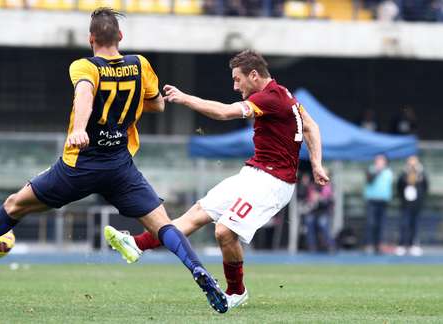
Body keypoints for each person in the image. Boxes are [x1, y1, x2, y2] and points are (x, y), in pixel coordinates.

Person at [0, 8, 228, 314]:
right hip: (120, 167)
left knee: (13, 205)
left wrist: (78, 129)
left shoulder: (84, 66)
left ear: (91, 39)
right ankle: (197, 269)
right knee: (162, 225)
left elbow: (85, 94)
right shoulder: (140, 64)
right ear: (120, 37)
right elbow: (157, 105)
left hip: (79, 166)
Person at [105, 50, 329, 308]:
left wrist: (185, 98)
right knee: (197, 213)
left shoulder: (270, 98)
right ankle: (136, 244)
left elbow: (224, 112)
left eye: (238, 79)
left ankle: (236, 292)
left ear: (254, 75)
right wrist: (316, 164)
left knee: (224, 231)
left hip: (273, 182)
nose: (235, 86)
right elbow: (311, 126)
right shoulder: (286, 95)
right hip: (254, 174)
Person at [395, 155, 428, 256]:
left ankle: (414, 245)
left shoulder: (422, 173)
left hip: (417, 204)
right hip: (406, 204)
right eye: (411, 161)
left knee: (416, 225)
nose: (412, 164)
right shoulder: (403, 173)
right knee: (404, 225)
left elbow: (426, 186)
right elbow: (399, 186)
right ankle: (402, 245)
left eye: (414, 161)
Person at [364, 154, 393, 254]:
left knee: (382, 224)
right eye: (378, 161)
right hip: (372, 200)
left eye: (382, 161)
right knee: (371, 223)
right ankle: (370, 244)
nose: (380, 163)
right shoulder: (371, 170)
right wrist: (377, 171)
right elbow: (369, 180)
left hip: (383, 201)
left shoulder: (388, 172)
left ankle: (380, 244)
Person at [301, 172, 335, 253]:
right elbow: (307, 200)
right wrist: (311, 202)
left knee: (322, 223)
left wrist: (320, 199)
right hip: (313, 212)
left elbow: (330, 202)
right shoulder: (312, 187)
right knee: (309, 221)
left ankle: (330, 245)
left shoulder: (327, 188)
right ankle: (311, 246)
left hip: (324, 212)